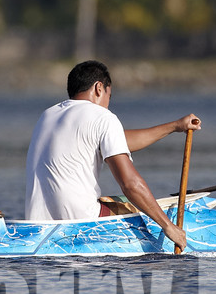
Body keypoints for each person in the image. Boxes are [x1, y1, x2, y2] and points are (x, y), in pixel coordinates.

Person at [23, 60, 200, 252]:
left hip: (37, 227)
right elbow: (129, 184)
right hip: (82, 225)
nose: (108, 103)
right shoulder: (102, 116)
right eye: (110, 95)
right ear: (99, 88)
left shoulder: (48, 115)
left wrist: (175, 126)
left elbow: (120, 141)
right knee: (134, 207)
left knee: (116, 201)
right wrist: (168, 226)